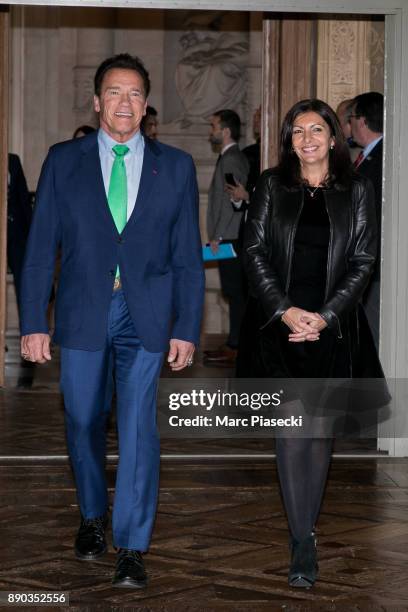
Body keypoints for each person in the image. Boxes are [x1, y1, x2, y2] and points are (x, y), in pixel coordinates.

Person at [19, 53, 204, 588]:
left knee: (138, 426)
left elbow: (188, 257)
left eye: (135, 95)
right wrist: (34, 320)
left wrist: (187, 326)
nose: (125, 103)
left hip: (146, 314)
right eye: (115, 93)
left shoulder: (175, 166)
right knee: (81, 418)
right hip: (81, 310)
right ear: (97, 101)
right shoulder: (63, 160)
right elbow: (38, 251)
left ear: (146, 106)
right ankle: (93, 514)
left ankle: (132, 545)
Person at [242, 98, 383, 588]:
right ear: (289, 140)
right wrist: (284, 310)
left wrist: (323, 316)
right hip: (280, 326)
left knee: (318, 434)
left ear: (332, 136)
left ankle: (306, 532)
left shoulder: (358, 190)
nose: (307, 139)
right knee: (289, 433)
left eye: (317, 129)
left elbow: (364, 260)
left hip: (332, 327)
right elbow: (253, 250)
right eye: (297, 131)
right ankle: (301, 537)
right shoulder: (270, 186)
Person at [204, 109, 249, 367]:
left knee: (235, 292)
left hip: (229, 238)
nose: (211, 133)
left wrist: (218, 236)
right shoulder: (230, 157)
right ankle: (233, 342)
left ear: (226, 131)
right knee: (233, 292)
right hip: (228, 236)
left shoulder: (231, 159)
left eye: (214, 127)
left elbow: (233, 203)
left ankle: (235, 345)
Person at [349, 92, 384, 348]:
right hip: (366, 262)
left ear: (361, 121)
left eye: (350, 118)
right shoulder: (367, 157)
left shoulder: (383, 159)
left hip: (374, 262)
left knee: (373, 333)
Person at [7, 154, 32, 311]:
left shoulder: (13, 160)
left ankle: (28, 331)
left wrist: (32, 233)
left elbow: (23, 198)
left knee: (23, 279)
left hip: (14, 231)